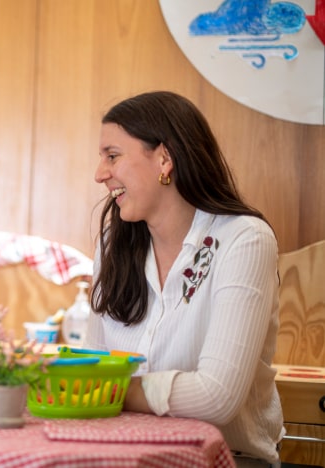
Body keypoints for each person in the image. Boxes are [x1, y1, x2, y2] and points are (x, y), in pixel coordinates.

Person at [85, 91, 283, 467]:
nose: (99, 174)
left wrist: (103, 389)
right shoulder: (114, 242)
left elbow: (217, 398)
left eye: (112, 156)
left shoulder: (244, 239)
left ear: (164, 158)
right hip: (123, 454)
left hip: (228, 460)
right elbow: (97, 362)